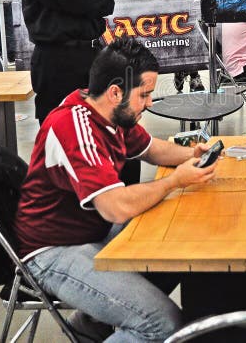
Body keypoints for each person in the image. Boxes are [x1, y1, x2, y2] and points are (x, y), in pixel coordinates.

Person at [13, 38, 217, 342]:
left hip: (89, 232)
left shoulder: (110, 111)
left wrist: (193, 155)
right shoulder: (75, 126)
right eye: (144, 95)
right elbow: (115, 207)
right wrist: (175, 181)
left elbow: (152, 149)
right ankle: (101, 322)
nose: (149, 102)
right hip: (51, 253)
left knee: (177, 250)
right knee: (162, 324)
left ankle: (91, 325)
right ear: (115, 92)